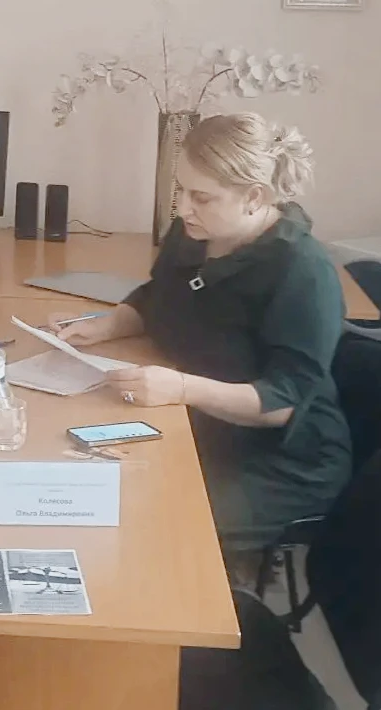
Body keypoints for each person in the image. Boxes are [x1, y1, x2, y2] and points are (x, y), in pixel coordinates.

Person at [54, 113, 351, 554]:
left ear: (254, 197)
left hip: (279, 458)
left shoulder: (302, 271)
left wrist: (180, 388)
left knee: (149, 529)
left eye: (202, 197)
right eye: (182, 191)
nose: (183, 209)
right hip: (199, 422)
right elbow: (158, 296)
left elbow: (282, 404)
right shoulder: (194, 231)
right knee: (77, 485)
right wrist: (111, 324)